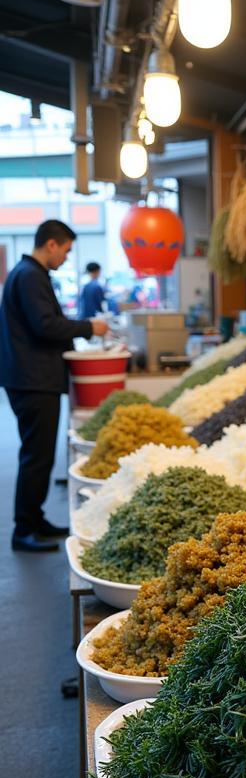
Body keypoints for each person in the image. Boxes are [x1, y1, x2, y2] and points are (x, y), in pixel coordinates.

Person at [0, 220, 109, 552]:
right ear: (51, 245)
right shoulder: (30, 275)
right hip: (33, 380)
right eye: (66, 250)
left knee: (40, 454)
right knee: (36, 455)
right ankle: (23, 530)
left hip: (31, 378)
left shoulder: (27, 273)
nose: (65, 257)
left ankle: (35, 519)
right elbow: (45, 325)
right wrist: (90, 327)